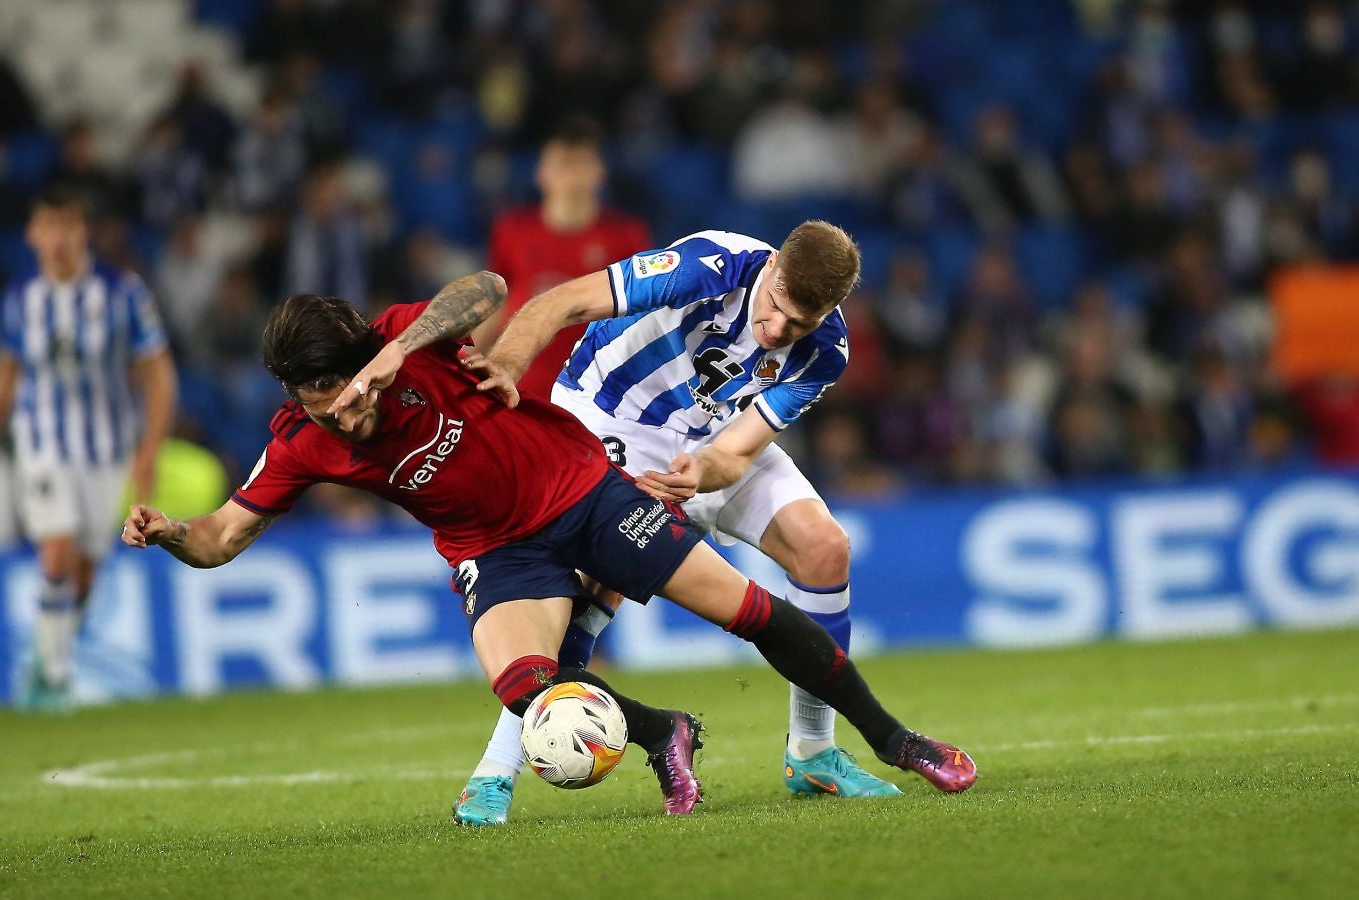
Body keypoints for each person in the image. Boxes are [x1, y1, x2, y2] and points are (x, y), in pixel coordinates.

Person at [122, 274, 976, 821]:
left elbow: (486, 290)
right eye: (320, 406)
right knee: (525, 680)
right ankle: (662, 730)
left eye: (346, 395)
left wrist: (399, 352)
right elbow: (222, 537)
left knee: (749, 611)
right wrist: (169, 535)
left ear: (363, 357)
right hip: (496, 552)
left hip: (585, 492)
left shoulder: (407, 340)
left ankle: (895, 741)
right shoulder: (303, 441)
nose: (342, 416)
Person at [446, 220, 922, 825]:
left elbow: (739, 452)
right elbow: (560, 301)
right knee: (587, 597)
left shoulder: (825, 349)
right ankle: (493, 776)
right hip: (605, 421)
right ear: (772, 266)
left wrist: (705, 469)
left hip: (707, 442)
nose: (778, 330)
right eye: (775, 306)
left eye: (799, 324)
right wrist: (508, 364)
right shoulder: (707, 267)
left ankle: (813, 752)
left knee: (823, 548)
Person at [0, 188, 177, 712]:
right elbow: (8, 370)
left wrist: (149, 448)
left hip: (106, 450)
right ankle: (54, 681)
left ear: (82, 231)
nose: (57, 239)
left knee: (84, 571)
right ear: (32, 235)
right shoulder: (21, 296)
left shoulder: (124, 293)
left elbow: (159, 374)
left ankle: (47, 657)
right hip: (41, 442)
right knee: (56, 552)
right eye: (47, 228)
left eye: (66, 227)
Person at [473, 116, 651, 400]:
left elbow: (642, 316)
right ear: (541, 172)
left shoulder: (625, 236)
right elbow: (496, 302)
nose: (570, 174)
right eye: (561, 163)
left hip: (595, 393)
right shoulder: (512, 229)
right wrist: (466, 359)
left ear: (599, 171)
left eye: (580, 162)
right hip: (522, 387)